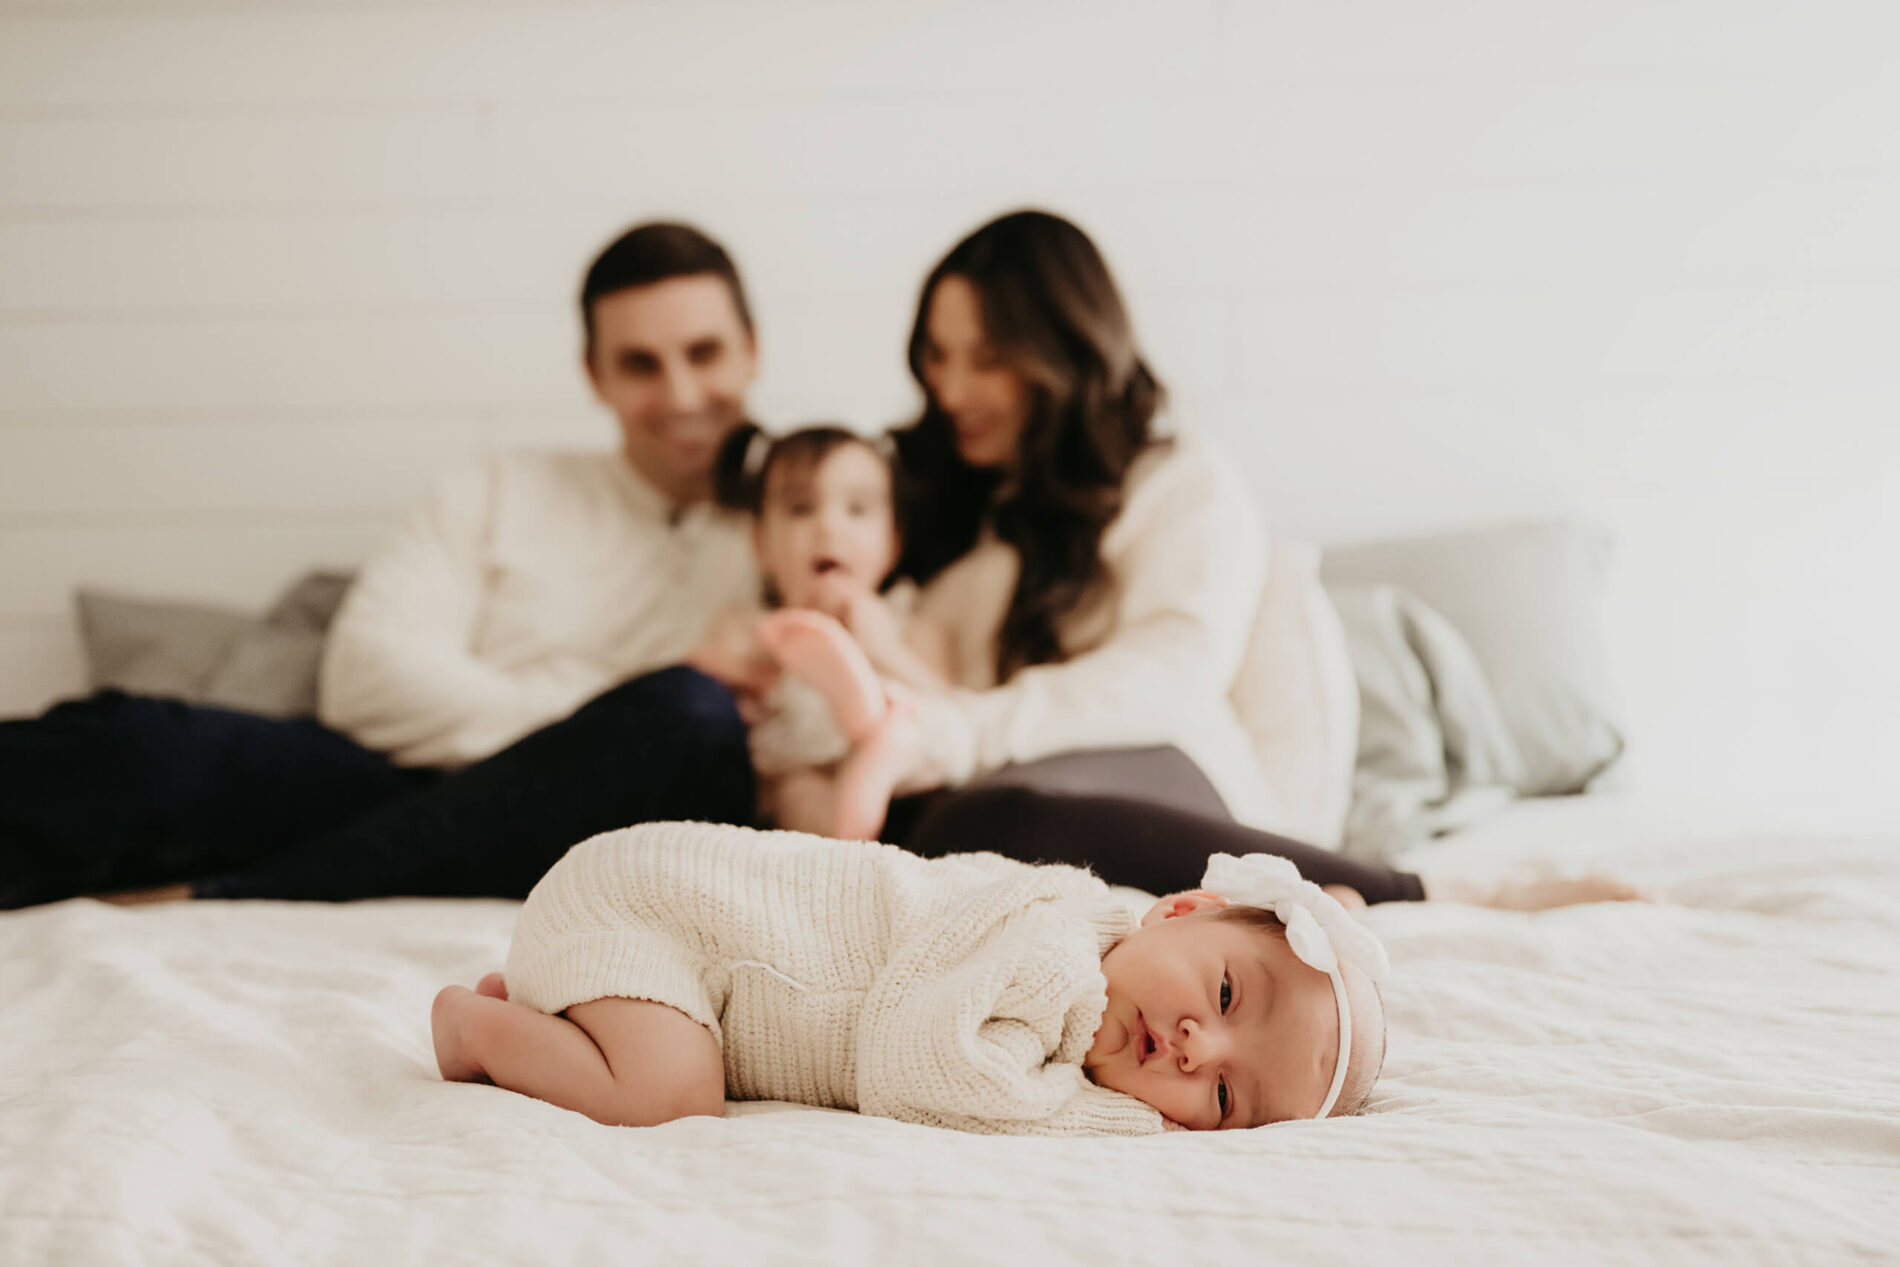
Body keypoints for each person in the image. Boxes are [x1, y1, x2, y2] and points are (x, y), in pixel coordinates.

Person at [0, 222, 768, 907]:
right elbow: (366, 679)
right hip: (406, 782)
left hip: (604, 832)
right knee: (137, 742)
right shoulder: (502, 485)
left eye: (705, 353)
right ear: (594, 375)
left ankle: (244, 891)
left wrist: (624, 724)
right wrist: (591, 722)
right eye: (640, 364)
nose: (681, 392)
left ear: (752, 350)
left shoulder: (810, 517)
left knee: (688, 712)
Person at [430, 820, 1392, 1134]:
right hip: (649, 905)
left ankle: (556, 1021)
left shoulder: (1113, 959)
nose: (1196, 1046)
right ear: (1177, 909)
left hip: (659, 949)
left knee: (671, 1065)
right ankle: (473, 1028)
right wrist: (1122, 1120)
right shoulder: (1052, 949)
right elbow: (915, 1071)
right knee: (671, 1092)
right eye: (1225, 996)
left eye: (1225, 1096)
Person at [685, 423, 952, 841]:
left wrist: (881, 650)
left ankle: (873, 748)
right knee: (797, 791)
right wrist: (768, 656)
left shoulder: (908, 622)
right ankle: (849, 834)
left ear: (893, 545)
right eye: (800, 509)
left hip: (898, 778)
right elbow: (698, 677)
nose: (828, 527)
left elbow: (954, 709)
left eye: (857, 510)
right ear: (761, 545)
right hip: (796, 766)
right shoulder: (750, 620)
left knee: (916, 751)